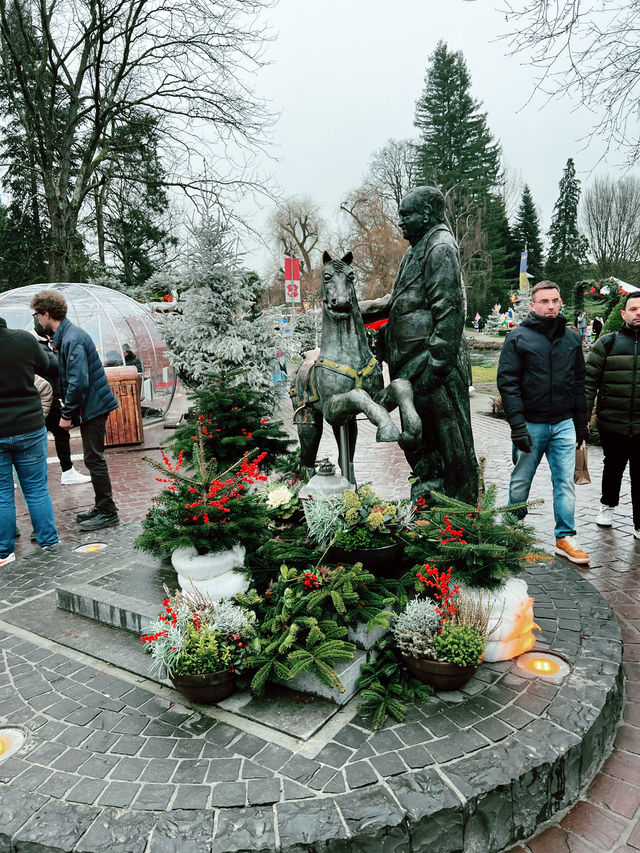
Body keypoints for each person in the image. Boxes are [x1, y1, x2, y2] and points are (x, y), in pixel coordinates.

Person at [360, 185, 478, 504]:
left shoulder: (439, 246)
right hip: (413, 367)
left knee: (452, 445)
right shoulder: (416, 249)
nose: (401, 222)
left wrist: (436, 368)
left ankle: (459, 517)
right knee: (423, 443)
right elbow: (399, 300)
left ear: (426, 215)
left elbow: (450, 309)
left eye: (406, 214)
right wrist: (359, 308)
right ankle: (431, 500)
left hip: (433, 367)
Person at [497, 280, 589, 565]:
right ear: (533, 305)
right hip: (531, 424)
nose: (551, 306)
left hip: (563, 423)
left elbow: (578, 383)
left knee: (564, 482)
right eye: (545, 301)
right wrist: (517, 426)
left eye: (555, 301)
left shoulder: (572, 338)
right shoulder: (518, 338)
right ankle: (511, 530)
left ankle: (565, 536)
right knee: (521, 480)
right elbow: (508, 383)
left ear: (561, 303)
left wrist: (581, 424)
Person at [30, 290, 120, 531]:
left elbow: (78, 381)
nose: (37, 319)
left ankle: (108, 511)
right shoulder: (67, 336)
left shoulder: (72, 338)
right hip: (93, 405)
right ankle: (102, 506)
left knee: (94, 458)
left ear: (46, 313)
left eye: (37, 314)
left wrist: (68, 415)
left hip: (94, 406)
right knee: (93, 458)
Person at [0, 316, 61, 566]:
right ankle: (49, 542)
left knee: (2, 494)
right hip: (30, 425)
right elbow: (50, 365)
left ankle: (4, 552)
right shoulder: (24, 339)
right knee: (36, 489)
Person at [585, 293, 640, 537]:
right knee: (613, 466)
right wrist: (584, 417)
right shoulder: (607, 342)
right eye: (633, 308)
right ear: (623, 313)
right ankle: (608, 505)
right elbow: (589, 382)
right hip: (613, 421)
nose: (638, 313)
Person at [32, 319, 91, 485]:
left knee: (56, 434)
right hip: (45, 398)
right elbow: (54, 365)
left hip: (51, 397)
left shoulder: (46, 345)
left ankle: (66, 471)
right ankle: (67, 472)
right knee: (57, 433)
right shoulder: (39, 346)